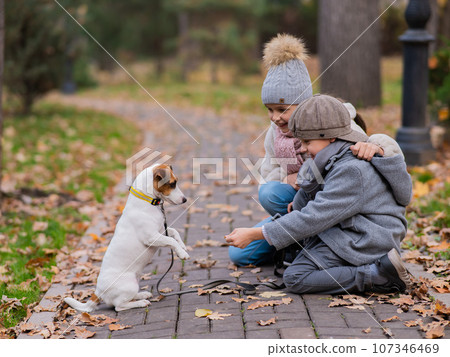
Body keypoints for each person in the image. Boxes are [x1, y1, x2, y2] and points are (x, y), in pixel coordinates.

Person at [228, 33, 404, 267]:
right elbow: (269, 170)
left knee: (273, 199)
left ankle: (311, 244)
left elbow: (374, 155)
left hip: (334, 208)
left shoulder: (334, 124)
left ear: (305, 105)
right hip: (299, 203)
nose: (275, 117)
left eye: (282, 109)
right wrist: (287, 179)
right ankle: (297, 239)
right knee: (241, 252)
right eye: (269, 109)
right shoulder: (275, 133)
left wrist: (375, 147)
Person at [225, 94, 413, 294]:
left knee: (296, 278)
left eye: (306, 142)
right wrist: (296, 204)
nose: (304, 149)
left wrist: (257, 234)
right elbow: (307, 196)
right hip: (347, 232)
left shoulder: (352, 170)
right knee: (296, 265)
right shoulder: (331, 157)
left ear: (330, 137)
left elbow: (315, 217)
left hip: (367, 239)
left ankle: (378, 274)